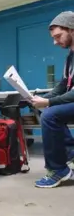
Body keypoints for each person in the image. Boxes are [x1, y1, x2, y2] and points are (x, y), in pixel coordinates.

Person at [30, 11, 74, 188]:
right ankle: (70, 150)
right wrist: (44, 98)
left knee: (50, 114)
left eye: (58, 36)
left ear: (71, 29)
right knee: (47, 110)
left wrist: (48, 103)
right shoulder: (70, 57)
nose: (55, 42)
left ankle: (58, 170)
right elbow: (65, 84)